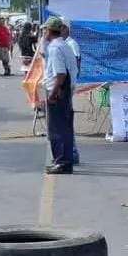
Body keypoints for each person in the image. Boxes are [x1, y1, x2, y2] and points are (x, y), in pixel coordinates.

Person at [41, 17, 79, 175]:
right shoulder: (62, 45)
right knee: (64, 128)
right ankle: (63, 160)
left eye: (44, 30)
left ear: (49, 31)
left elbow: (61, 74)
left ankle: (62, 162)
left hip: (59, 92)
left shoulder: (56, 48)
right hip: (64, 91)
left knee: (57, 129)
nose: (43, 33)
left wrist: (53, 93)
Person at [59, 18, 82, 164]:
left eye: (61, 28)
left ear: (66, 29)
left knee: (66, 120)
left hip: (67, 87)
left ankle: (72, 152)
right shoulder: (63, 44)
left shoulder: (72, 45)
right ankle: (70, 151)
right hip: (65, 86)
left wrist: (70, 83)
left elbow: (75, 67)